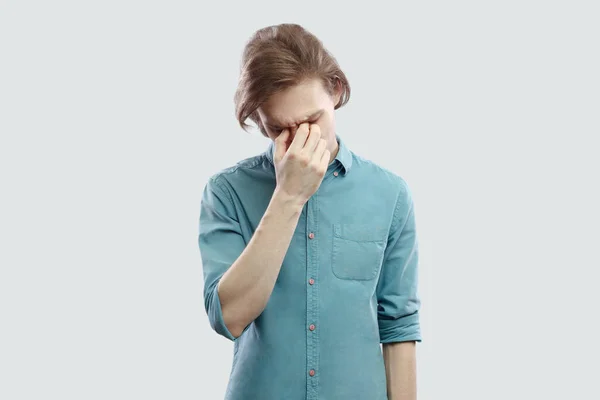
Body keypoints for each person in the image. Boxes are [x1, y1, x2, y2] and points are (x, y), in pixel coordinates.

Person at [198, 23, 422, 400]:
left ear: (335, 90)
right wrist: (288, 196)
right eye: (279, 129)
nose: (301, 141)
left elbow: (398, 325)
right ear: (260, 123)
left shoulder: (391, 194)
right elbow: (229, 317)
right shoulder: (227, 192)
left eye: (312, 121)